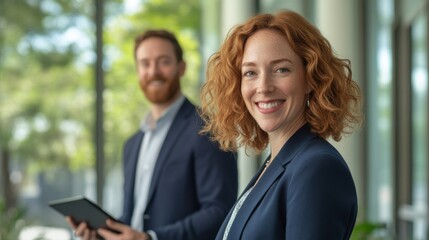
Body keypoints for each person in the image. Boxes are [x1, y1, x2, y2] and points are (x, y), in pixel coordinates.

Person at [199, 10, 362, 240]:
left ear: (310, 79)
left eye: (281, 69)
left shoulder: (317, 168)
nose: (263, 87)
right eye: (250, 73)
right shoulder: (277, 162)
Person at [67, 29, 238, 240]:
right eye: (145, 63)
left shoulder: (208, 129)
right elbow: (135, 220)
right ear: (138, 71)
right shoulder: (132, 144)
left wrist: (151, 238)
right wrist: (101, 234)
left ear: (181, 67)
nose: (153, 71)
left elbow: (220, 211)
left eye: (163, 61)